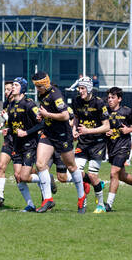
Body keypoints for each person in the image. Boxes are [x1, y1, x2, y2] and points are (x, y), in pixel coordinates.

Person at [32, 72, 86, 213]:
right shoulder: (41, 94)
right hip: (49, 133)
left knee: (72, 167)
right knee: (40, 164)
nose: (37, 89)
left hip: (62, 135)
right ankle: (48, 200)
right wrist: (40, 115)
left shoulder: (56, 95)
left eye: (38, 86)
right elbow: (46, 111)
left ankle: (81, 197)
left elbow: (65, 115)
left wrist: (47, 115)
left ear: (44, 84)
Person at [104, 87, 132, 212]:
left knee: (113, 173)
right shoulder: (105, 111)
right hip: (111, 146)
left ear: (119, 99)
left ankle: (109, 204)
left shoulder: (127, 111)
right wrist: (105, 131)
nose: (110, 100)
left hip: (123, 146)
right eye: (109, 97)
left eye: (113, 97)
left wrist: (128, 130)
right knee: (121, 175)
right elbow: (101, 126)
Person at [72, 76, 110, 214]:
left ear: (88, 89)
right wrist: (74, 130)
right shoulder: (77, 101)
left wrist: (88, 131)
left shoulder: (99, 103)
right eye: (79, 88)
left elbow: (106, 127)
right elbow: (76, 118)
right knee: (77, 172)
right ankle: (83, 201)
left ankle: (101, 205)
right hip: (83, 142)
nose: (80, 91)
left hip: (98, 144)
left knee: (93, 176)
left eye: (82, 88)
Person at [5, 77, 41, 212]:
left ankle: (46, 179)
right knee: (17, 176)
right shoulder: (11, 105)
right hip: (16, 144)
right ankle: (30, 205)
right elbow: (13, 125)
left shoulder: (29, 104)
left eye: (15, 85)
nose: (12, 87)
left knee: (25, 177)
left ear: (22, 89)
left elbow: (41, 124)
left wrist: (26, 133)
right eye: (12, 84)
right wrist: (6, 128)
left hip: (30, 144)